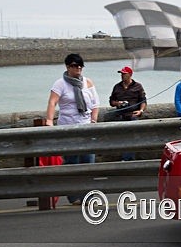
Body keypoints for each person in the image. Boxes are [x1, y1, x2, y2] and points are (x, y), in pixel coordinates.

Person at [45, 53, 99, 205]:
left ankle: (89, 197)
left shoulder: (87, 82)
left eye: (81, 66)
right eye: (75, 66)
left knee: (88, 161)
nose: (79, 68)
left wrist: (94, 120)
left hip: (86, 126)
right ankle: (74, 195)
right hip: (68, 127)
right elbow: (52, 103)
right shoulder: (60, 84)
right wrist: (49, 121)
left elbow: (95, 104)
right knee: (72, 161)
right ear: (68, 67)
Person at [109, 66, 147, 160]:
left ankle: (127, 158)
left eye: (124, 74)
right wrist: (118, 103)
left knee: (131, 135)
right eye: (121, 74)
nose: (122, 76)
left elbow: (143, 101)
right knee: (122, 137)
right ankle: (124, 158)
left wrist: (140, 111)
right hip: (120, 114)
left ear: (130, 75)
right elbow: (111, 102)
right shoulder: (117, 87)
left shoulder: (138, 86)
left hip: (132, 115)